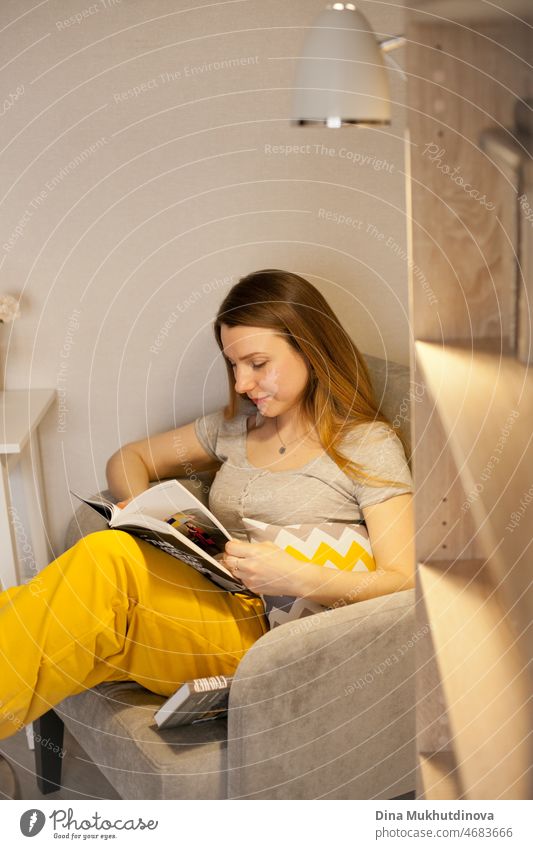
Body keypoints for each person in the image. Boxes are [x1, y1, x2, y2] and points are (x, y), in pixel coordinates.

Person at [0, 269, 414, 741]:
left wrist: (297, 577)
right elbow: (128, 458)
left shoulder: (366, 444)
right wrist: (140, 510)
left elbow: (404, 582)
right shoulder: (235, 430)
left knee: (98, 570)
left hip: (269, 642)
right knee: (65, 601)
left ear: (310, 348)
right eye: (233, 365)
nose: (241, 384)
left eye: (257, 363)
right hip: (206, 605)